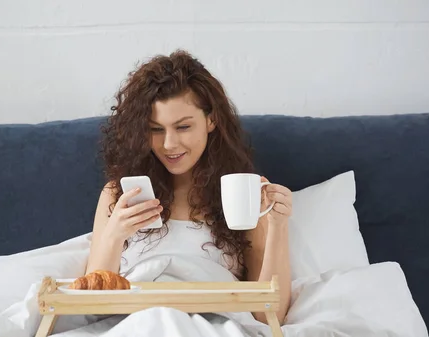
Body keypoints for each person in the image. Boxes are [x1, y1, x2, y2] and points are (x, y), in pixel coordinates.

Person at [85, 49, 293, 326]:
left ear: (211, 120)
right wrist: (114, 236)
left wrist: (278, 226)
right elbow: (89, 305)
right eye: (155, 130)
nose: (169, 144)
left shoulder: (243, 196)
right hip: (134, 323)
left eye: (182, 127)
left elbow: (269, 315)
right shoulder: (118, 194)